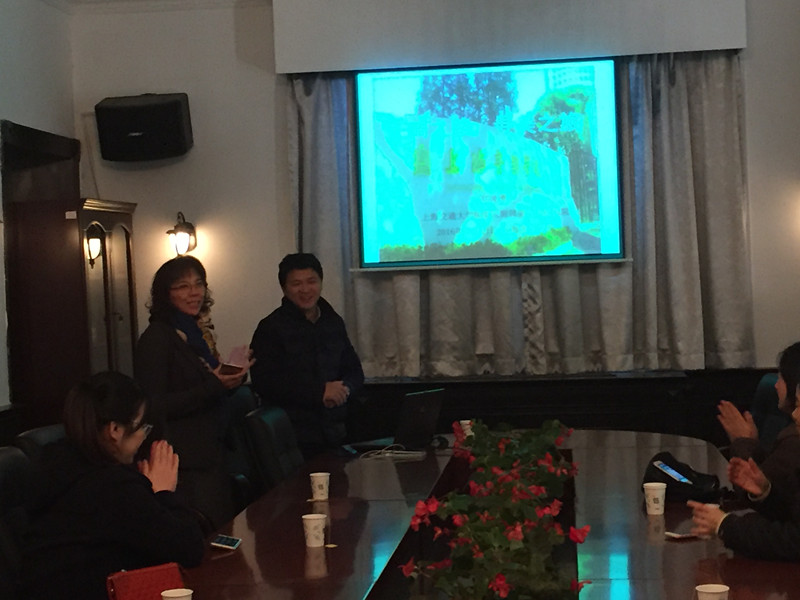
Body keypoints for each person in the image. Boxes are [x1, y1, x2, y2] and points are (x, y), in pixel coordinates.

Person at [21, 372, 205, 600]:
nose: (143, 437)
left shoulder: (56, 460)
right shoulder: (110, 486)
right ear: (115, 430)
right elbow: (189, 549)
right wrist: (164, 491)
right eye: (142, 427)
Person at [135, 255, 254, 528]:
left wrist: (232, 379)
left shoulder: (194, 334)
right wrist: (215, 385)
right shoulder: (157, 337)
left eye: (199, 284)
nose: (194, 293)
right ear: (166, 294)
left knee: (224, 532)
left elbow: (208, 388)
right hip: (184, 459)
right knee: (204, 534)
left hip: (212, 450)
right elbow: (153, 405)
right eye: (183, 286)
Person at [250, 253, 364, 459]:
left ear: (320, 282)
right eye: (296, 284)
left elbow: (354, 370)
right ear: (284, 288)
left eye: (311, 281)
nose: (305, 290)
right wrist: (320, 392)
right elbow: (265, 382)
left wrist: (344, 390)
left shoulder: (333, 321)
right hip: (294, 436)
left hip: (337, 430)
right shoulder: (270, 328)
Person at [716, 341, 800, 490]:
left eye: (781, 377)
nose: (776, 385)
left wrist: (742, 441)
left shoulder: (794, 442)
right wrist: (752, 444)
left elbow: (756, 491)